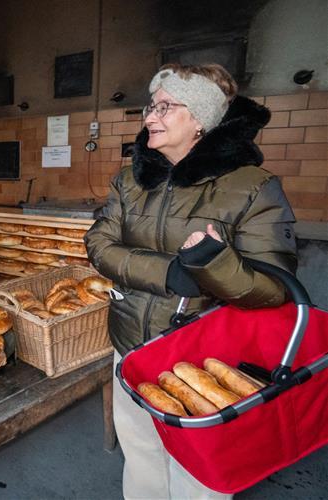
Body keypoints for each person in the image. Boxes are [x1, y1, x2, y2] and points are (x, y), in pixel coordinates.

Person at [85, 63, 298, 499]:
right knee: (142, 452)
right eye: (150, 106)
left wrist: (213, 263)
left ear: (200, 119)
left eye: (165, 107)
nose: (149, 117)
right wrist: (171, 271)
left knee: (199, 474)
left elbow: (273, 289)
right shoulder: (130, 180)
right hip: (132, 346)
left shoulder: (252, 187)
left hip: (205, 360)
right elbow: (99, 245)